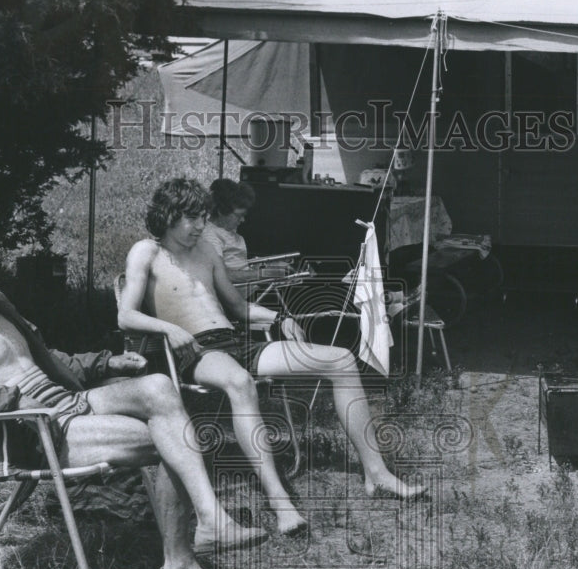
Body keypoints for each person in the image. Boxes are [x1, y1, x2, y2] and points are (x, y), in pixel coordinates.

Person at [0, 207, 267, 569]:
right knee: (173, 438)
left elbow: (40, 360)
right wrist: (12, 398)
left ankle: (210, 519)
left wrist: (106, 362)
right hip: (25, 430)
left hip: (64, 405)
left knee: (160, 386)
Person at [118, 178, 428, 536]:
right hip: (194, 350)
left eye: (204, 217)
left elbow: (237, 307)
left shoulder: (206, 251)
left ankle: (377, 473)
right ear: (169, 216)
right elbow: (125, 315)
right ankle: (280, 503)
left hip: (234, 341)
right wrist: (167, 328)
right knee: (239, 382)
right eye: (192, 219)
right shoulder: (147, 252)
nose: (201, 226)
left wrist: (280, 319)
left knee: (340, 359)